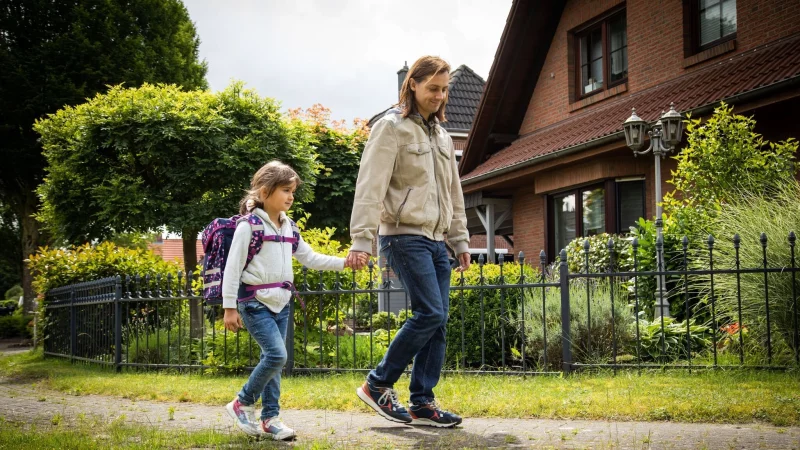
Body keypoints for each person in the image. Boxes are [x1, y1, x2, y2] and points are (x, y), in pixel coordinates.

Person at [346, 55, 471, 428]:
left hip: (436, 239)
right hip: (402, 235)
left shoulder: (442, 135)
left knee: (439, 320)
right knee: (430, 312)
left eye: (444, 89)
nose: (440, 96)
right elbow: (370, 186)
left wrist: (460, 240)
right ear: (412, 85)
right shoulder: (390, 128)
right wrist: (361, 240)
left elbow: (453, 192)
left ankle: (422, 403)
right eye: (433, 88)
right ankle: (378, 383)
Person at [222, 160, 366, 440]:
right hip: (255, 302)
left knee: (272, 360)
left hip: (282, 303)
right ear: (265, 192)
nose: (291, 197)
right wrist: (229, 308)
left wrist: (344, 263)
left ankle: (270, 419)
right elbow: (233, 268)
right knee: (277, 356)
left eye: (293, 192)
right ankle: (242, 402)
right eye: (285, 190)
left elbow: (310, 258)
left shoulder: (289, 227)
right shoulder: (249, 226)